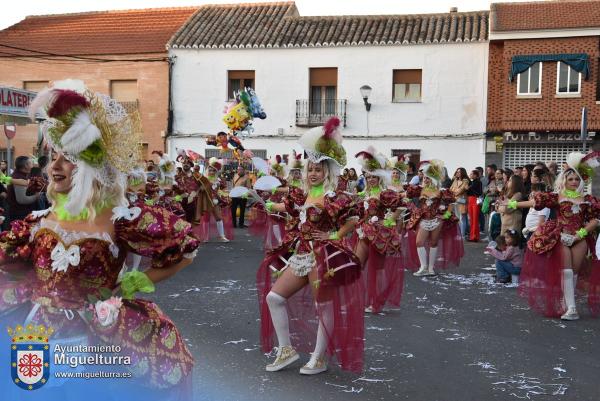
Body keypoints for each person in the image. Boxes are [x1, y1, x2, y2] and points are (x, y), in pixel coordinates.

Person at [0, 84, 200, 395]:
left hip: (97, 335)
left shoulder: (120, 218)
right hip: (38, 334)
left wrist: (134, 281)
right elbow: (9, 264)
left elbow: (182, 250)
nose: (55, 166)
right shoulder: (38, 221)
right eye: (54, 156)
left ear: (90, 167)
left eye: (68, 158)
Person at [258, 117, 364, 375]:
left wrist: (335, 235)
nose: (313, 173)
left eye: (318, 169)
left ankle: (319, 357)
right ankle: (286, 350)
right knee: (274, 297)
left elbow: (353, 218)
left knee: (323, 306)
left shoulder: (334, 197)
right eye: (310, 170)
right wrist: (270, 205)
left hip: (323, 256)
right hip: (303, 253)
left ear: (327, 171)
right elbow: (292, 209)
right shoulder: (303, 194)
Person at [505, 152, 600, 320]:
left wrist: (580, 235)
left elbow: (594, 220)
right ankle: (572, 308)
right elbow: (535, 203)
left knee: (575, 272)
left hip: (579, 237)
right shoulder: (557, 196)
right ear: (564, 180)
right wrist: (513, 203)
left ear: (581, 181)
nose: (574, 182)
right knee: (568, 271)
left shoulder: (587, 199)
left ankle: (566, 302)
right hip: (561, 236)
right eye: (570, 179)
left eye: (576, 179)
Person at [354, 147, 407, 313]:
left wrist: (389, 220)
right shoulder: (364, 193)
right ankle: (356, 299)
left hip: (379, 235)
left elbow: (401, 206)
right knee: (357, 265)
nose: (370, 180)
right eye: (368, 177)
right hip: (363, 232)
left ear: (379, 178)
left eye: (374, 177)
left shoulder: (385, 193)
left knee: (377, 270)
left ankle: (375, 302)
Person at [408, 160, 464, 276]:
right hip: (424, 220)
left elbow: (452, 202)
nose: (425, 180)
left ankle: (430, 268)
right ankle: (423, 267)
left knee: (433, 243)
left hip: (437, 220)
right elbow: (407, 195)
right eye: (424, 178)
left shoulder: (440, 191)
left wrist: (446, 214)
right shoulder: (420, 189)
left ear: (433, 179)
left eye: (427, 178)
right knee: (419, 242)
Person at [6, 156, 41, 224]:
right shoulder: (18, 178)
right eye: (31, 163)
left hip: (19, 211)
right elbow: (22, 200)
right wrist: (36, 196)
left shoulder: (18, 175)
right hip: (19, 213)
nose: (32, 165)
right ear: (26, 165)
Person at [450, 167, 470, 238]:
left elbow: (460, 190)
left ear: (462, 173)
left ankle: (462, 234)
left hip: (462, 201)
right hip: (455, 201)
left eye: (459, 172)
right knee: (456, 218)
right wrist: (454, 192)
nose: (457, 173)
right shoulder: (455, 180)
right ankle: (458, 233)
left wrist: (454, 192)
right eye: (457, 172)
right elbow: (451, 189)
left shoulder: (465, 181)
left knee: (462, 218)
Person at [467, 169, 483, 242]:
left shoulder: (478, 182)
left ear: (476, 175)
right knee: (471, 219)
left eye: (472, 174)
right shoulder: (471, 182)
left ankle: (475, 236)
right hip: (470, 200)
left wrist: (469, 187)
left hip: (475, 200)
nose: (470, 175)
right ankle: (472, 236)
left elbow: (479, 192)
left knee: (475, 219)